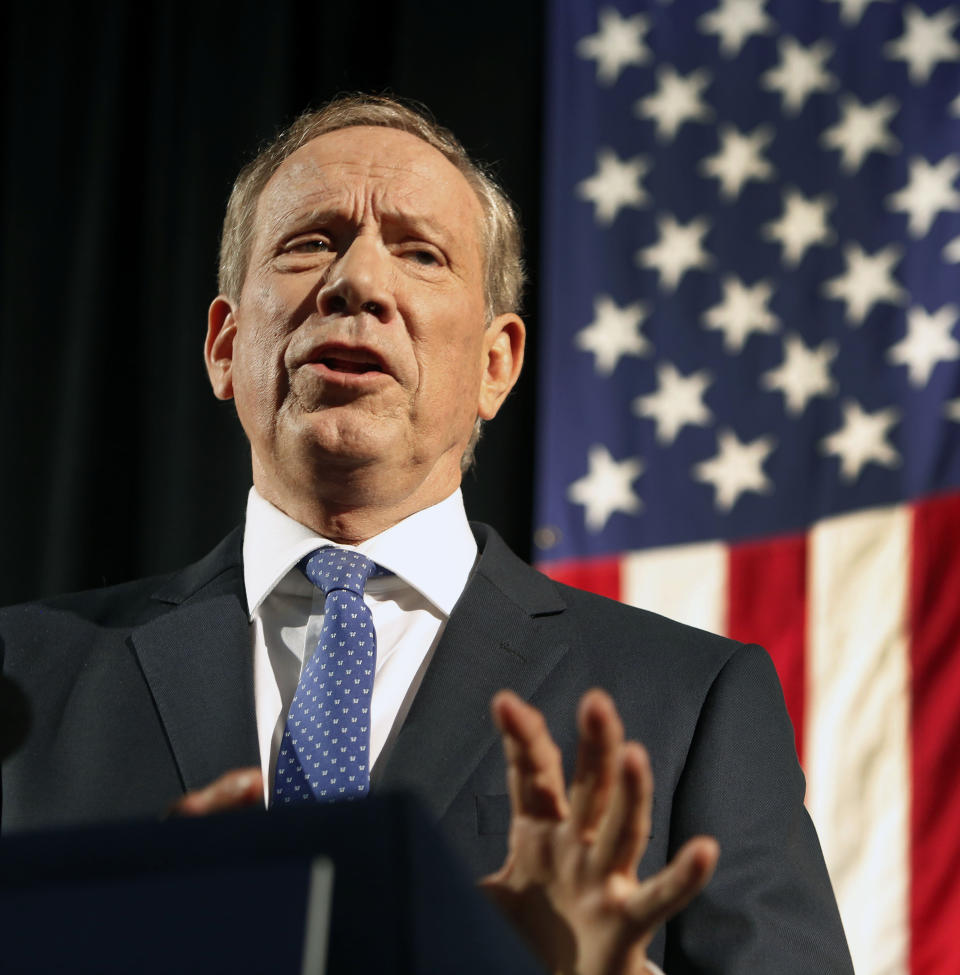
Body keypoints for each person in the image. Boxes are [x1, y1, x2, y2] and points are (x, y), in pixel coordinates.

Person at [0, 95, 853, 974]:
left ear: (496, 364)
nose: (359, 283)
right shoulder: (24, 679)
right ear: (224, 345)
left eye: (420, 252)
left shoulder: (688, 703)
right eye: (310, 242)